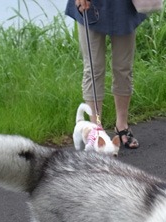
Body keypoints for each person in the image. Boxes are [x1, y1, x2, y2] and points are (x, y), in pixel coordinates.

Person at [66, 0, 146, 149]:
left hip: (123, 6)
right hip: (89, 4)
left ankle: (122, 126)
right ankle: (96, 129)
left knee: (123, 68)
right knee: (93, 68)